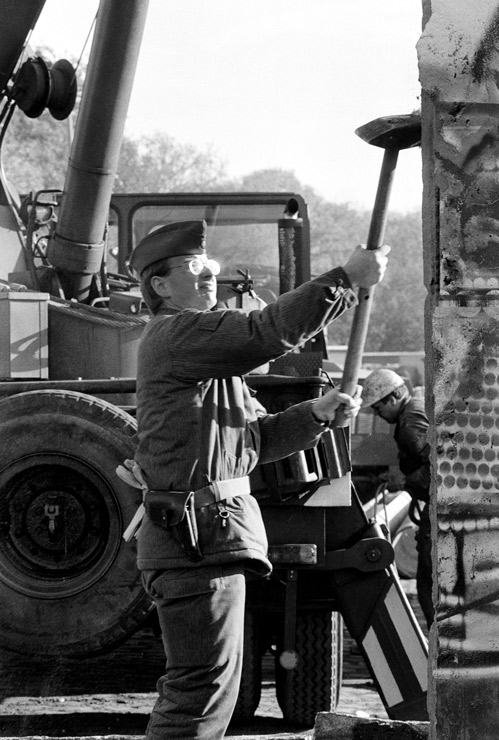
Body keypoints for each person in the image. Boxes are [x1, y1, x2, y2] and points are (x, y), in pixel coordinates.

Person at [128, 219, 389, 740]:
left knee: (209, 689)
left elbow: (253, 444)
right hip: (196, 541)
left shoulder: (208, 362)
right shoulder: (178, 334)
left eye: (214, 270)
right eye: (196, 269)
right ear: (160, 285)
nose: (210, 278)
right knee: (198, 692)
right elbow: (265, 332)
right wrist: (344, 279)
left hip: (209, 538)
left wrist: (313, 414)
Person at [361, 368, 433, 629]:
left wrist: (406, 481)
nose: (378, 415)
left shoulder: (411, 423)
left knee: (430, 580)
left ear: (394, 397)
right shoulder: (417, 408)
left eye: (379, 409)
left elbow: (443, 463)